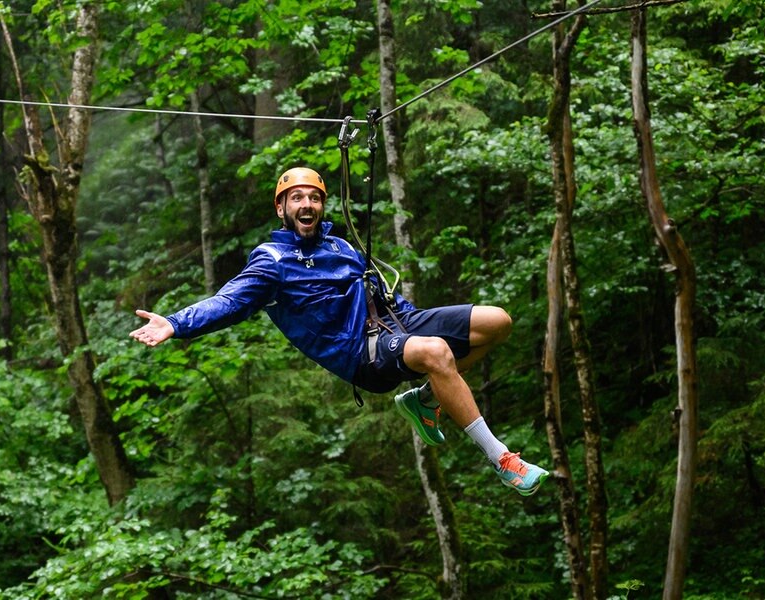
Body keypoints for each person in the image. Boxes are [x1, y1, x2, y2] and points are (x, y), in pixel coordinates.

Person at [129, 167, 548, 496]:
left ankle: (425, 399)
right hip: (359, 352)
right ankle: (502, 460)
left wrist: (403, 317)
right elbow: (229, 302)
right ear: (281, 209)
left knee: (497, 321)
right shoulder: (272, 261)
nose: (306, 204)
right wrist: (175, 323)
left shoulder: (341, 246)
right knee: (436, 351)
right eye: (296, 198)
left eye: (313, 197)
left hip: (395, 321)